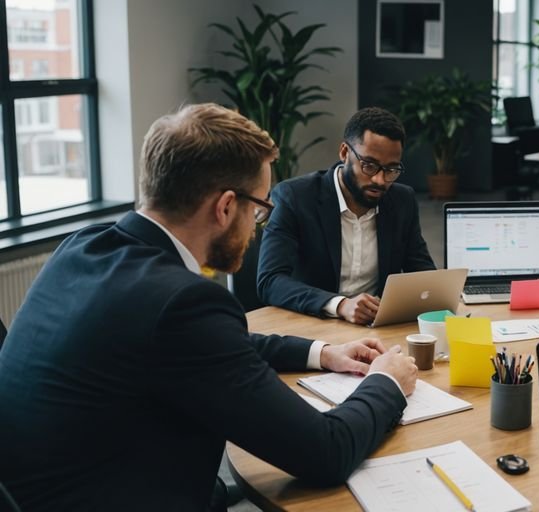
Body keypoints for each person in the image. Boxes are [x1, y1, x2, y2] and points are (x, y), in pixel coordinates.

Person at [0, 104, 419, 510]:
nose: (257, 228)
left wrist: (322, 353)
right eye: (258, 211)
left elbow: (209, 344)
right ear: (224, 207)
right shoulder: (183, 303)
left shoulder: (83, 246)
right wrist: (386, 383)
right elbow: (326, 452)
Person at [258, 107, 435, 325]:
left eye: (391, 169)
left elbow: (424, 276)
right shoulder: (295, 197)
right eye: (369, 165)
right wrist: (340, 305)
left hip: (375, 330)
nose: (380, 180)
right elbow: (270, 281)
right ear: (344, 153)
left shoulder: (401, 200)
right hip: (312, 326)